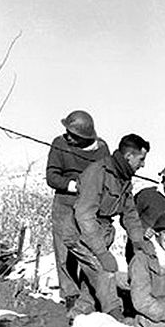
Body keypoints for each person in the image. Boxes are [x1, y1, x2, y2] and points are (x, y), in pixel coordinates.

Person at [64, 133, 150, 320]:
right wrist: (102, 253)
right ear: (128, 157)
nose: (143, 165)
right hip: (80, 233)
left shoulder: (123, 178)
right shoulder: (98, 172)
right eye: (141, 159)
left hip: (101, 231)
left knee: (93, 278)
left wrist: (138, 241)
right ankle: (116, 317)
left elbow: (130, 213)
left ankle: (79, 315)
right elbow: (84, 215)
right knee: (106, 272)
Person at [46, 110, 110, 310]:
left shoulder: (102, 149)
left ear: (86, 136)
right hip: (65, 203)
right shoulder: (59, 143)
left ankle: (88, 295)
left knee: (89, 250)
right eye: (67, 132)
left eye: (73, 134)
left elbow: (107, 177)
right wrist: (74, 185)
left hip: (90, 208)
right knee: (64, 251)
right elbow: (52, 176)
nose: (68, 137)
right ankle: (70, 295)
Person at [126, 162, 165, 263]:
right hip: (140, 248)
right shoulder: (146, 195)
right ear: (163, 180)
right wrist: (142, 231)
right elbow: (127, 218)